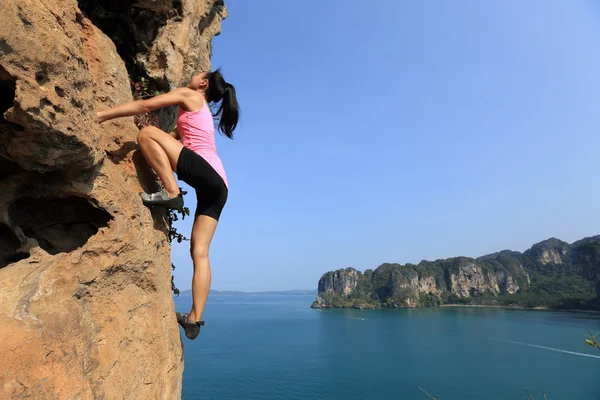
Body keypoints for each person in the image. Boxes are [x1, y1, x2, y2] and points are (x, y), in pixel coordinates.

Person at [96, 69, 239, 340]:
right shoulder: (200, 114)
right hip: (220, 186)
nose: (193, 74)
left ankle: (172, 191)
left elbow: (145, 106)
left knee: (147, 133)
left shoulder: (190, 96)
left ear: (203, 83)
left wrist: (101, 115)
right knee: (200, 252)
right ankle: (194, 319)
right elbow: (171, 139)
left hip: (205, 171)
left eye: (199, 73)